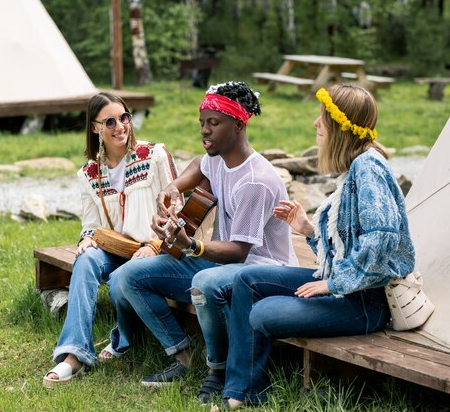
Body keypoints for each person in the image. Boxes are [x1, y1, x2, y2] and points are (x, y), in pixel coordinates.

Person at [221, 84, 416, 409]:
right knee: (247, 280)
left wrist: (332, 284)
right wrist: (308, 230)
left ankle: (244, 389)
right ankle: (242, 391)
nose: (315, 123)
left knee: (263, 312)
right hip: (346, 286)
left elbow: (381, 239)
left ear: (340, 126)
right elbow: (349, 246)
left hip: (366, 303)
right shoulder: (356, 167)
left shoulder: (369, 170)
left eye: (322, 117)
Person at [107, 81, 297, 401]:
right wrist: (173, 188)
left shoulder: (256, 181)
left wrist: (191, 245)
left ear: (238, 124)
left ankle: (218, 369)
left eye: (214, 123)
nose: (205, 131)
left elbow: (238, 252)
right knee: (127, 275)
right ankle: (182, 356)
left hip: (261, 271)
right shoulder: (218, 158)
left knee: (205, 282)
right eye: (202, 123)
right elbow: (199, 163)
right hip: (218, 262)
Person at [43, 92, 178, 386]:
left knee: (120, 281)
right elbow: (91, 226)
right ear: (95, 128)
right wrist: (86, 240)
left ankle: (123, 339)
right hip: (119, 249)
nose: (121, 127)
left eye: (125, 117)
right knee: (86, 259)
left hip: (157, 249)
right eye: (111, 122)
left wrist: (155, 245)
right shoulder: (89, 174)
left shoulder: (153, 155)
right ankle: (75, 354)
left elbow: (179, 209)